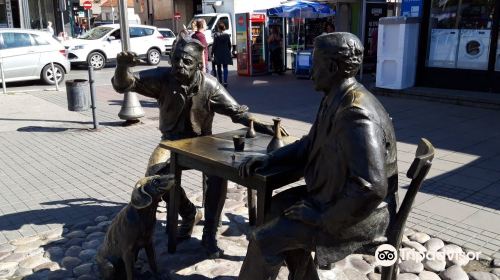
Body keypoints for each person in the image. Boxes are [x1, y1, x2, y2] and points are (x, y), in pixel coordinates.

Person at [237, 32, 398, 279]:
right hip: (334, 196)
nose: (311, 71)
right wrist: (271, 159)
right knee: (273, 209)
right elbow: (309, 144)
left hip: (358, 214)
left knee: (264, 239)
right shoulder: (335, 98)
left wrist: (322, 218)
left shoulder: (355, 113)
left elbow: (372, 187)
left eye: (316, 64)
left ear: (333, 67)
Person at [111, 35, 285, 258]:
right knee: (155, 176)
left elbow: (237, 113)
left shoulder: (210, 85)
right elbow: (124, 84)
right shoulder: (163, 78)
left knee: (218, 175)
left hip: (204, 141)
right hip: (171, 142)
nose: (179, 66)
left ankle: (209, 234)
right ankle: (188, 212)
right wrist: (122, 66)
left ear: (198, 65)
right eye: (176, 60)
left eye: (186, 62)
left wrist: (266, 127)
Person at [211, 21, 232, 87]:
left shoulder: (216, 35)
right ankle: (225, 81)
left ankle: (220, 81)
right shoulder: (227, 35)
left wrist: (212, 53)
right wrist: (228, 50)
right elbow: (229, 44)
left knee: (219, 67)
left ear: (218, 28)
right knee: (225, 67)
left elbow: (214, 45)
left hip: (218, 53)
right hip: (225, 53)